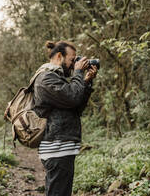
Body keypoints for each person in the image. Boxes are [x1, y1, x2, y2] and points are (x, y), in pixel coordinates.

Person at [33, 40, 98, 196]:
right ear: (60, 56)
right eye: (72, 59)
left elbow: (76, 108)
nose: (74, 64)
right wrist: (78, 73)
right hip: (56, 147)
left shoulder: (56, 78)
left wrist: (86, 83)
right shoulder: (46, 78)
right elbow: (72, 97)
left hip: (62, 146)